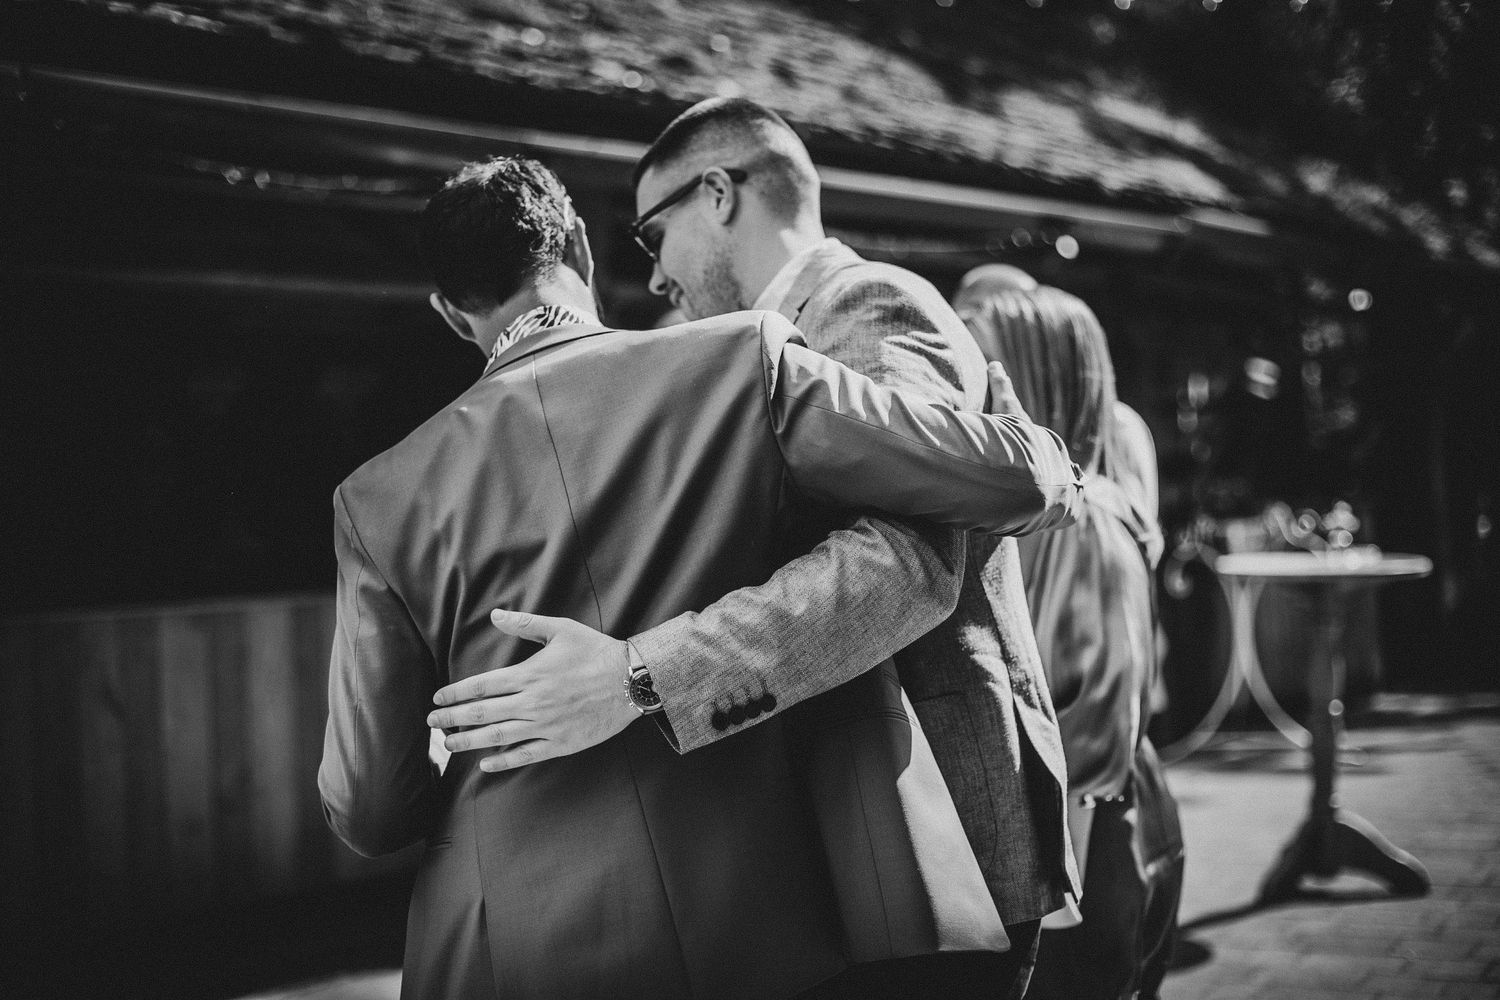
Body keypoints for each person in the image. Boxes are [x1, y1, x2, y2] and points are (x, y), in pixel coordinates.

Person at [318, 155, 1082, 1000]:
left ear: (449, 312)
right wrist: (1028, 434)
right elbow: (1004, 484)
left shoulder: (375, 501)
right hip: (760, 911)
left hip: (504, 945)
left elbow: (370, 810)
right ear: (580, 246)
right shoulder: (737, 365)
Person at [964, 282, 1185, 1000]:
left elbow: (1095, 726)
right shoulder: (1043, 509)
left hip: (1083, 858)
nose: (961, 374)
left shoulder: (1084, 520)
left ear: (1034, 377)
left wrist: (1056, 903)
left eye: (981, 356)